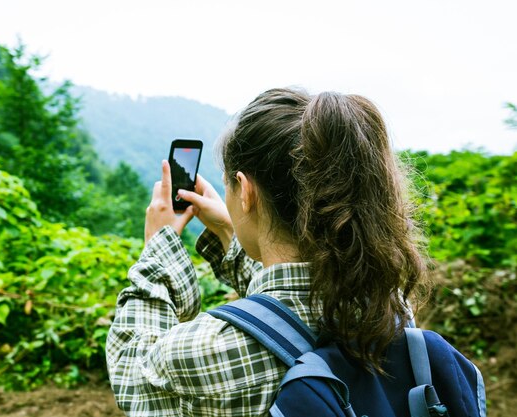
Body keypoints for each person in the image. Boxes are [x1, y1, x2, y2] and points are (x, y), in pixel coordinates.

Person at [106, 88, 427, 416]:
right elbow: (286, 308)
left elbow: (131, 372)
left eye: (228, 184)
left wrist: (158, 248)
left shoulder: (208, 349)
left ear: (244, 191)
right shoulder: (390, 306)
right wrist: (230, 229)